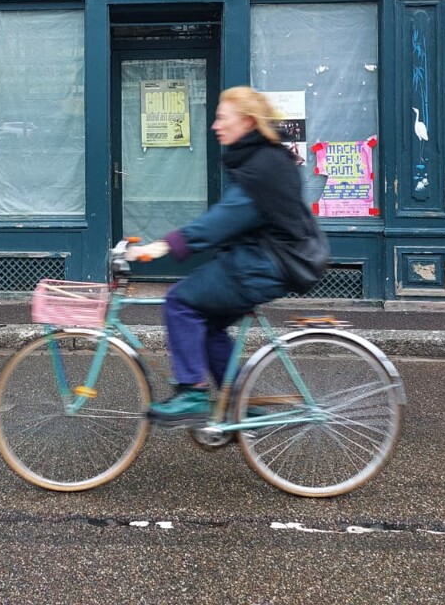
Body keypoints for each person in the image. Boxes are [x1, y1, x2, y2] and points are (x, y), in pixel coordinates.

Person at [127, 86, 312, 427]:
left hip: (267, 263)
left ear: (245, 121)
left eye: (221, 117)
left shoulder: (263, 164)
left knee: (180, 301)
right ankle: (236, 401)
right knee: (207, 323)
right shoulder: (259, 156)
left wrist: (164, 246)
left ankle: (192, 394)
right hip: (268, 259)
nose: (214, 125)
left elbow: (225, 219)